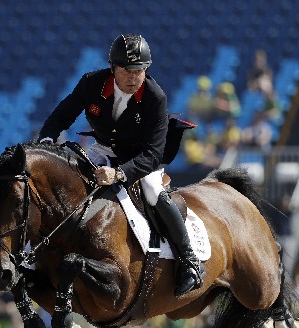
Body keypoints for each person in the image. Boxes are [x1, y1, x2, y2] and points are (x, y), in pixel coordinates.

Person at [37, 33, 204, 296]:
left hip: (141, 159)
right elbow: (62, 115)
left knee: (152, 190)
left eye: (139, 70)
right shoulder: (92, 83)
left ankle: (189, 261)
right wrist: (47, 139)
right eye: (127, 70)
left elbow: (152, 153)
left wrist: (118, 174)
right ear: (113, 67)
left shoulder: (154, 97)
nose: (133, 77)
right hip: (104, 149)